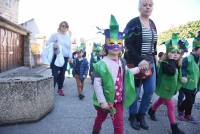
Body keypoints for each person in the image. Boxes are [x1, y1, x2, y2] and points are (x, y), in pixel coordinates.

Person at [92, 15, 140, 134]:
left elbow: (127, 73)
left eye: (119, 42)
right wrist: (102, 101)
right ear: (106, 45)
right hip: (105, 101)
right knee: (100, 119)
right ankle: (95, 131)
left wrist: (139, 69)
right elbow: (97, 84)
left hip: (118, 101)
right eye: (112, 42)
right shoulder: (101, 64)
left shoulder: (122, 62)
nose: (116, 46)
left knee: (119, 126)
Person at [123, 0, 157, 130]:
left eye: (150, 5)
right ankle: (132, 116)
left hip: (150, 63)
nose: (147, 7)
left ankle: (141, 115)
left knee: (149, 90)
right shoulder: (133, 23)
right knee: (135, 92)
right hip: (135, 62)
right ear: (139, 7)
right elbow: (127, 45)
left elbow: (153, 46)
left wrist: (154, 60)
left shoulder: (153, 24)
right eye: (145, 5)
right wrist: (139, 60)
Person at [148, 33, 185, 134]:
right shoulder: (165, 64)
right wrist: (172, 60)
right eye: (173, 52)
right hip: (165, 88)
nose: (176, 54)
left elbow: (178, 74)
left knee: (160, 100)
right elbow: (172, 72)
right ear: (168, 52)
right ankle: (174, 128)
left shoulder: (176, 63)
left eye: (177, 52)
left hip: (170, 89)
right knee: (171, 107)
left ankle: (151, 110)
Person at [177, 31, 200, 122]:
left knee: (192, 101)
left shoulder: (198, 60)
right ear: (195, 49)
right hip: (186, 84)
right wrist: (184, 76)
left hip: (194, 85)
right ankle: (180, 111)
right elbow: (183, 68)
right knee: (189, 100)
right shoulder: (188, 58)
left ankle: (188, 114)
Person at [47, 21, 72, 96]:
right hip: (56, 56)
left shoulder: (68, 37)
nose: (64, 27)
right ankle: (51, 91)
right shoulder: (55, 35)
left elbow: (69, 48)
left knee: (62, 74)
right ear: (60, 26)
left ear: (67, 28)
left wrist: (70, 57)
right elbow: (48, 43)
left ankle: (60, 89)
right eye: (62, 26)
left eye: (66, 26)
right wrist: (54, 45)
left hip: (65, 58)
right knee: (54, 74)